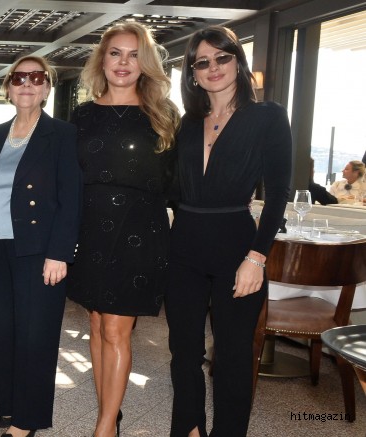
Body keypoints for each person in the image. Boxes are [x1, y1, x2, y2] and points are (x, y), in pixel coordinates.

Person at [168, 26, 292, 437]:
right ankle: (189, 429)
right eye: (202, 62)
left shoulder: (267, 116)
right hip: (183, 247)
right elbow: (171, 189)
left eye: (222, 57)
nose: (214, 67)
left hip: (237, 247)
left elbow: (277, 194)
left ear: (238, 62)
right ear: (192, 73)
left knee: (234, 355)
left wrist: (257, 257)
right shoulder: (187, 123)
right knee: (183, 351)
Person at [66, 22, 179, 437]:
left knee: (115, 329)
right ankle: (109, 416)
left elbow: (176, 183)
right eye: (115, 53)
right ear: (102, 59)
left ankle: (103, 428)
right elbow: (69, 178)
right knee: (97, 326)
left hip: (139, 233)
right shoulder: (82, 115)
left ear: (145, 63)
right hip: (90, 232)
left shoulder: (165, 116)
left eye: (134, 55)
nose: (123, 62)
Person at [0, 56, 82, 437]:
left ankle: (28, 420)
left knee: (36, 335)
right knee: (4, 331)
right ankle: (7, 407)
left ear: (47, 88)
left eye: (37, 78)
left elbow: (71, 198)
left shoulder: (62, 135)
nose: (27, 84)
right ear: (8, 88)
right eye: (19, 78)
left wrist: (60, 253)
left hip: (39, 249)